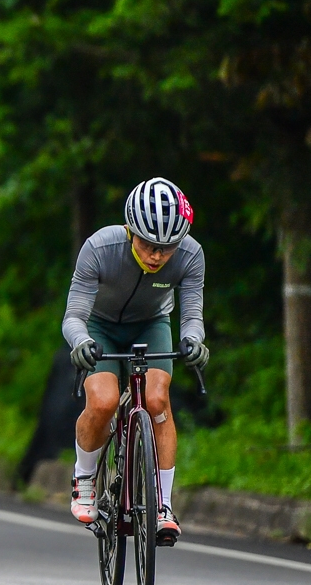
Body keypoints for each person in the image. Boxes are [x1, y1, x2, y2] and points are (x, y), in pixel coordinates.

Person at [64, 177, 208, 544]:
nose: (157, 255)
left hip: (151, 324)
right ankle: (85, 477)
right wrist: (81, 342)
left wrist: (194, 341)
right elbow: (74, 316)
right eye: (148, 244)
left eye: (167, 247)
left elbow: (192, 316)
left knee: (158, 399)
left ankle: (163, 506)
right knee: (104, 401)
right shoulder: (100, 247)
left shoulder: (191, 255)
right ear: (130, 231)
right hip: (99, 327)